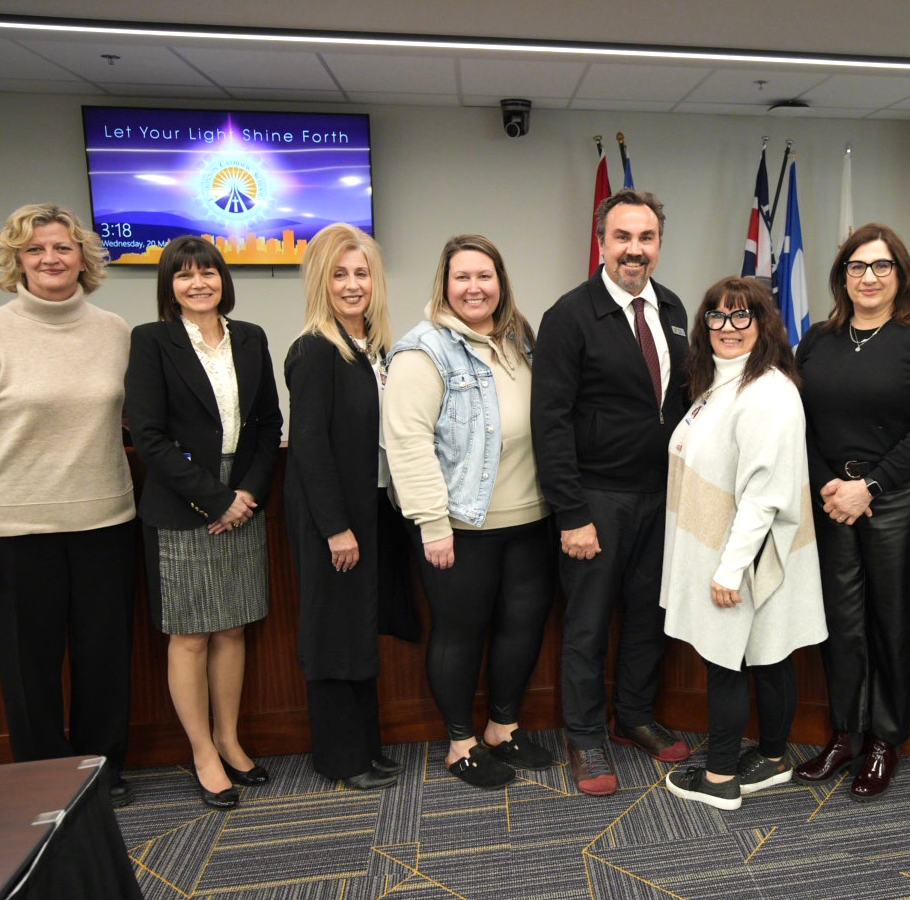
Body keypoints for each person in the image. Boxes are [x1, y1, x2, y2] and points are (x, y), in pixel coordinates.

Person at [0, 203, 137, 805]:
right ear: (16, 261)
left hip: (106, 524)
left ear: (84, 259)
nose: (50, 259)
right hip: (12, 533)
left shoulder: (115, 331)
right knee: (30, 672)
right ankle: (45, 780)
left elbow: (140, 421)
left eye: (62, 248)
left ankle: (103, 771)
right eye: (34, 250)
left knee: (105, 663)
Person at [532, 188, 692, 796]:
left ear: (658, 244)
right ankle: (585, 737)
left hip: (661, 498)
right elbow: (549, 422)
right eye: (623, 238)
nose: (635, 250)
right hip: (595, 500)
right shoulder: (569, 316)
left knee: (650, 618)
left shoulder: (674, 309)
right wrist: (572, 513)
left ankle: (634, 716)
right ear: (602, 242)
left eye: (646, 238)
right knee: (588, 625)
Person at [385, 235, 556, 789]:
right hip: (460, 524)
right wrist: (433, 524)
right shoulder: (422, 350)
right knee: (460, 632)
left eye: (485, 276)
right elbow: (407, 444)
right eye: (463, 277)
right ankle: (460, 743)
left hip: (531, 517)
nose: (474, 287)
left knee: (521, 627)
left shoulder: (520, 340)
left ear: (500, 283)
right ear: (445, 284)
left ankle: (502, 729)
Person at [794, 225, 910, 801]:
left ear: (900, 275)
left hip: (899, 500)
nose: (868, 277)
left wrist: (873, 484)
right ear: (842, 276)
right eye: (857, 267)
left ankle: (886, 740)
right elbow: (799, 424)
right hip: (833, 501)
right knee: (842, 625)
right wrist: (830, 486)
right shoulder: (816, 340)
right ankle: (846, 734)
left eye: (881, 267)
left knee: (892, 622)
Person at [124, 236, 283, 810]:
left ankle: (229, 738)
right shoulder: (150, 341)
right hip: (183, 503)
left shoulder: (251, 337)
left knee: (233, 627)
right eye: (184, 275)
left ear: (223, 279)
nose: (198, 283)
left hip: (243, 498)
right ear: (168, 285)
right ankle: (201, 751)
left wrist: (247, 493)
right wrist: (214, 500)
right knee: (190, 635)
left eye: (208, 272)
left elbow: (269, 424)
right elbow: (148, 437)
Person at [661, 277, 826, 809]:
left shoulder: (768, 393)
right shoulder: (720, 383)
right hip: (731, 546)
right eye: (717, 316)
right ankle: (774, 757)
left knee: (726, 660)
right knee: (769, 655)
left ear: (763, 325)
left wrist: (730, 569)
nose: (727, 328)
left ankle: (720, 779)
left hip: (745, 553)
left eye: (741, 317)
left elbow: (763, 495)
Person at [285, 223, 401, 790]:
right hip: (333, 521)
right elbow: (308, 447)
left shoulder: (373, 348)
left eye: (361, 273)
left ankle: (367, 746)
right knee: (333, 636)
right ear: (320, 282)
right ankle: (340, 757)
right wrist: (335, 529)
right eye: (339, 274)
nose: (352, 285)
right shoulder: (313, 350)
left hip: (369, 510)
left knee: (359, 630)